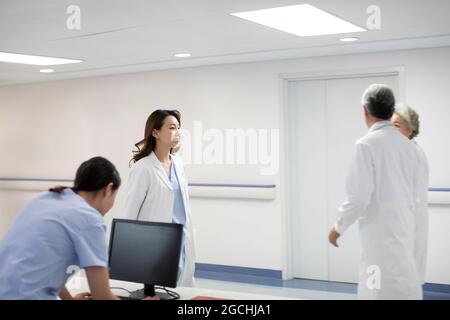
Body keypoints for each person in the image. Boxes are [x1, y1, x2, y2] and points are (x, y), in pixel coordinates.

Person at [0, 157, 158, 300]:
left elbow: (44, 268)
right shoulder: (89, 219)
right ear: (108, 189)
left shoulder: (44, 198)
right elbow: (101, 296)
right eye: (115, 197)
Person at [328, 84, 422, 299]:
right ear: (391, 111)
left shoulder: (366, 145)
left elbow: (358, 197)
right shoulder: (410, 147)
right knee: (403, 282)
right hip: (405, 228)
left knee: (376, 286)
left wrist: (337, 227)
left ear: (365, 110)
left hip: (379, 234)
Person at [126, 109, 195, 287]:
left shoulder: (178, 164)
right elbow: (131, 212)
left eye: (179, 127)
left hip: (182, 239)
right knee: (157, 291)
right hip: (154, 244)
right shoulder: (143, 168)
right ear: (155, 132)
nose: (178, 132)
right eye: (172, 127)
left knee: (182, 291)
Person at [392, 103, 429, 285]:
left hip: (405, 225)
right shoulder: (410, 150)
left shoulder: (409, 153)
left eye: (396, 125)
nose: (391, 130)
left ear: (410, 129)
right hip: (406, 224)